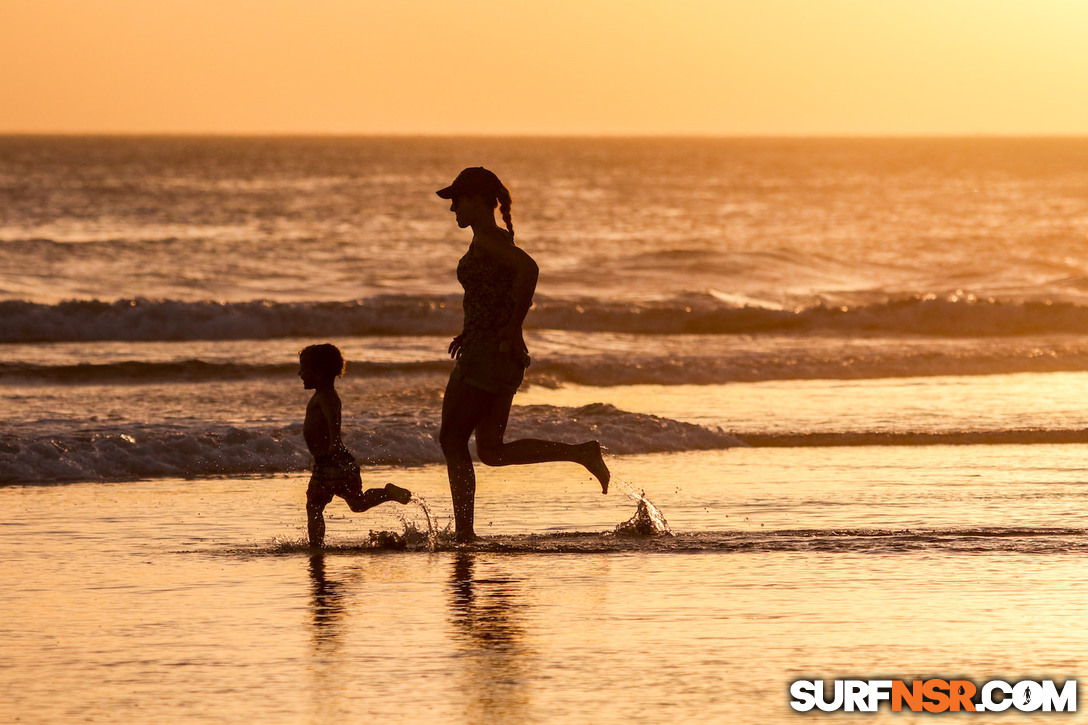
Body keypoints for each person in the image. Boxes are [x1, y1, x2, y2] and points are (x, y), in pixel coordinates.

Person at [436, 167, 610, 543]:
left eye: (457, 200)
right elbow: (497, 291)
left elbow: (528, 269)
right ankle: (581, 452)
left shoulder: (487, 241)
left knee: (452, 440)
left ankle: (464, 536)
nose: (452, 209)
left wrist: (513, 326)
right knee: (492, 451)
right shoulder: (492, 239)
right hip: (497, 353)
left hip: (490, 355)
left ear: (479, 201)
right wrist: (475, 328)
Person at [299, 343, 412, 548]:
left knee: (315, 505)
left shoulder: (325, 397)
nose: (300, 373)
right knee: (357, 503)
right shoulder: (323, 395)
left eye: (304, 369)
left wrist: (334, 442)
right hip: (332, 461)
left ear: (319, 372)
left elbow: (333, 420)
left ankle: (316, 547)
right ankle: (387, 493)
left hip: (331, 461)